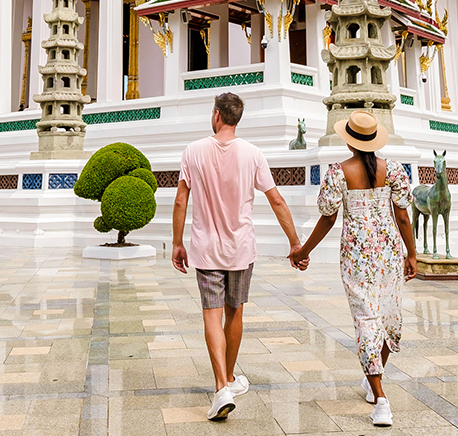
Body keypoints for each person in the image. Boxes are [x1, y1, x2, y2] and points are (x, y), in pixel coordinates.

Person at [173, 92, 303, 421]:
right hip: (241, 249)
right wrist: (295, 242)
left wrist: (177, 243)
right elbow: (276, 200)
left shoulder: (194, 151)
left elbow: (180, 200)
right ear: (236, 118)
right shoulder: (253, 154)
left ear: (217, 115)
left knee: (211, 316)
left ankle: (222, 385)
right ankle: (227, 380)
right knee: (235, 313)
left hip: (205, 248)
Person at [289, 110, 417, 428]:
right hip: (388, 253)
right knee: (387, 318)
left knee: (367, 322)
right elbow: (403, 216)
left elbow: (329, 218)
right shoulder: (394, 170)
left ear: (350, 142)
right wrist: (412, 254)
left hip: (357, 257)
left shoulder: (339, 172)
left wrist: (303, 251)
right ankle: (374, 384)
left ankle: (381, 398)